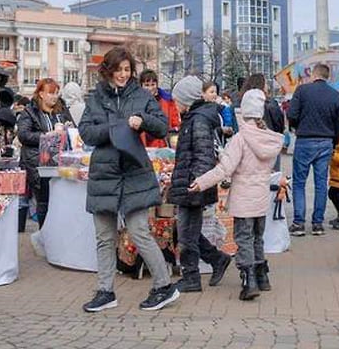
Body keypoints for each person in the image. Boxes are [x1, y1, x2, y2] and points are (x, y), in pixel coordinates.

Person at [79, 47, 178, 313]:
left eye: (127, 70)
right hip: (104, 174)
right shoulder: (96, 97)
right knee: (104, 237)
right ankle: (105, 291)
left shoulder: (141, 96)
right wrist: (113, 130)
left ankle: (164, 286)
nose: (123, 75)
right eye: (118, 69)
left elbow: (162, 125)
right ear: (108, 70)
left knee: (139, 233)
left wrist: (142, 120)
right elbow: (86, 131)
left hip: (135, 172)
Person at [189, 89, 284, 301]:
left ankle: (248, 280)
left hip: (243, 199)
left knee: (244, 239)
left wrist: (200, 183)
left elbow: (224, 170)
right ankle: (262, 276)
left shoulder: (240, 139)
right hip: (261, 199)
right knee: (258, 238)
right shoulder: (269, 139)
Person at [167, 76, 231, 293]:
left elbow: (204, 156)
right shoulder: (194, 118)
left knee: (186, 234)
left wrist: (197, 183)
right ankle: (217, 259)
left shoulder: (198, 120)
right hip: (191, 184)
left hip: (193, 186)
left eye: (177, 101)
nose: (175, 106)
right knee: (187, 232)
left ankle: (192, 277)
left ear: (186, 100)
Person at [287, 63, 339, 237]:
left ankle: (298, 223)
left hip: (305, 140)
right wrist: (333, 142)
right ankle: (317, 224)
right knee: (321, 184)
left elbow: (291, 115)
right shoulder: (336, 96)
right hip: (326, 142)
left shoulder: (302, 91)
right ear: (327, 76)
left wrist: (298, 127)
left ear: (313, 75)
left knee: (299, 183)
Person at [17, 78, 74, 228]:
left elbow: (74, 129)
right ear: (41, 94)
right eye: (50, 93)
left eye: (56, 93)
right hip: (37, 161)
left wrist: (68, 129)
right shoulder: (30, 111)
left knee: (61, 199)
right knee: (44, 200)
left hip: (60, 161)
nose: (54, 97)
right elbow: (23, 135)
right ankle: (44, 235)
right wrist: (48, 135)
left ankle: (57, 236)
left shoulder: (62, 110)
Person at [139, 70, 180, 148]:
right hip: (143, 146)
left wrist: (173, 137)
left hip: (164, 145)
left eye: (153, 84)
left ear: (157, 85)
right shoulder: (135, 103)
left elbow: (176, 124)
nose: (150, 88)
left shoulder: (168, 101)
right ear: (141, 86)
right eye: (147, 85)